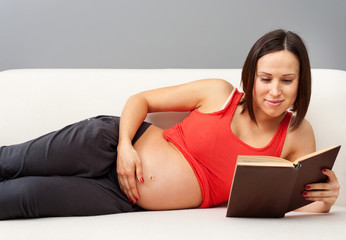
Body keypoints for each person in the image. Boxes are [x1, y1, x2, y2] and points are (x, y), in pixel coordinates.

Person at [0, 29, 340, 219]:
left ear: (301, 83)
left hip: (122, 197)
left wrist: (326, 199)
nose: (275, 91)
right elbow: (140, 101)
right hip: (108, 144)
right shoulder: (218, 94)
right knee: (11, 161)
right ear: (251, 77)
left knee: (24, 196)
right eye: (265, 78)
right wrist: (123, 149)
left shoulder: (296, 134)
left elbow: (295, 199)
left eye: (287, 80)